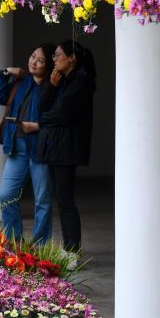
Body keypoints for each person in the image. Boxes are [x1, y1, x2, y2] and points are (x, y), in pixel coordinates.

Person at [0, 43, 56, 245]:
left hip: (40, 149)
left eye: (40, 60)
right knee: (6, 194)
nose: (34, 62)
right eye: (33, 56)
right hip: (17, 147)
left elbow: (57, 117)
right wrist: (5, 73)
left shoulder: (52, 87)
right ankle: (13, 240)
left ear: (48, 65)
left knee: (42, 200)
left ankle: (41, 245)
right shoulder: (22, 82)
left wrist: (36, 126)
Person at [38, 40, 96, 250]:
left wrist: (46, 118)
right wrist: (51, 87)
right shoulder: (61, 79)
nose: (54, 59)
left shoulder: (82, 80)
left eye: (58, 55)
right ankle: (69, 247)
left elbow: (61, 114)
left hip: (67, 146)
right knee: (61, 199)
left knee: (65, 199)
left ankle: (72, 249)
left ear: (71, 58)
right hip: (58, 146)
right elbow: (42, 107)